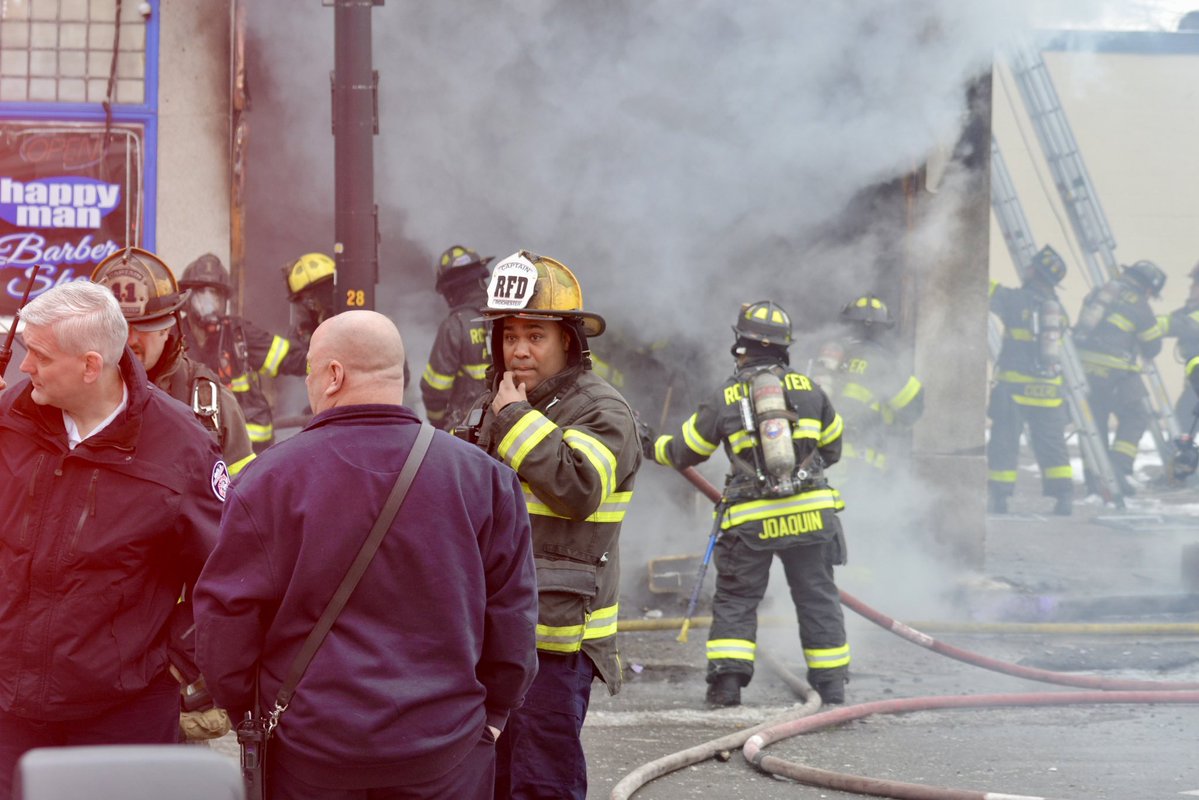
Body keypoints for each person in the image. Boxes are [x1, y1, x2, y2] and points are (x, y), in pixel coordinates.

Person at [194, 310, 539, 800]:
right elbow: (513, 615)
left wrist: (248, 715)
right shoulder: (483, 479)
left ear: (334, 375)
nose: (309, 381)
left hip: (312, 754)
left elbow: (224, 619)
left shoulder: (268, 481)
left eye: (311, 369)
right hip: (447, 751)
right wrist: (495, 717)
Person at [0, 281, 225, 799]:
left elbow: (227, 574)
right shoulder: (13, 417)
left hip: (121, 716)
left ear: (90, 365)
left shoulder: (182, 447)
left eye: (38, 354)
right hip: (9, 710)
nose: (24, 367)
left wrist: (173, 662)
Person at [457, 250, 640, 800]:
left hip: (556, 644)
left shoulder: (602, 411)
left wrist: (514, 420)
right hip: (488, 637)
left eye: (535, 335)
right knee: (487, 779)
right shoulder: (492, 403)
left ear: (569, 340)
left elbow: (579, 488)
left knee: (542, 785)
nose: (518, 349)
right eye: (510, 334)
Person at [645, 300, 851, 708]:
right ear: (784, 348)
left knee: (738, 600)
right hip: (811, 518)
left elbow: (686, 451)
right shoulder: (811, 390)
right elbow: (834, 448)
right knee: (817, 598)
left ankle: (727, 687)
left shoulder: (726, 395)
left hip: (751, 522)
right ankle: (831, 688)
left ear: (740, 345)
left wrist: (650, 444)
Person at [92, 247, 256, 478]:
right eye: (115, 328)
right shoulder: (69, 394)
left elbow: (241, 496)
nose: (128, 340)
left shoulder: (211, 404)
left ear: (167, 328)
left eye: (143, 326)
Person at [179, 253, 307, 452]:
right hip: (190, 447)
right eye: (202, 294)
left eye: (216, 295)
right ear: (186, 299)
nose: (210, 303)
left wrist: (327, 354)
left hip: (245, 451)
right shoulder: (172, 337)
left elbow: (290, 358)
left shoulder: (239, 334)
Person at [987, 246, 1075, 515]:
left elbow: (983, 288)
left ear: (1035, 271)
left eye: (1030, 267)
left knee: (1004, 443)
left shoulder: (1015, 301)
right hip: (1049, 392)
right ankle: (1064, 498)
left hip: (1014, 390)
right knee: (1052, 446)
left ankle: (999, 499)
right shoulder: (1058, 310)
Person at [1074, 259, 1167, 494]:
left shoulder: (1100, 293)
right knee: (1137, 415)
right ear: (1148, 288)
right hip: (1115, 372)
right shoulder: (1140, 306)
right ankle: (1118, 468)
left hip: (1083, 371)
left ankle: (1095, 479)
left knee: (1095, 425)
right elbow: (1153, 347)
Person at [817, 293, 924, 482]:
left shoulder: (827, 358)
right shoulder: (887, 364)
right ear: (884, 329)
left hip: (824, 460)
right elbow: (913, 409)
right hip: (864, 466)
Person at [420, 244, 493, 430]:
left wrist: (438, 424)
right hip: (507, 428)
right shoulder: (507, 318)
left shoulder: (454, 326)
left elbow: (434, 390)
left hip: (465, 431)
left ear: (450, 290)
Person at [281, 252, 336, 348]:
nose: (312, 304)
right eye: (306, 299)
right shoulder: (303, 332)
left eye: (324, 291)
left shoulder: (350, 316)